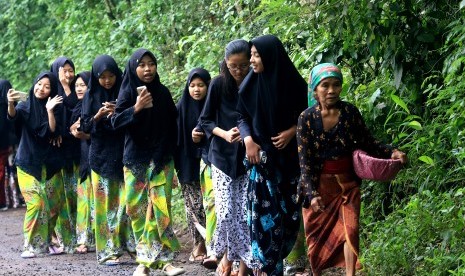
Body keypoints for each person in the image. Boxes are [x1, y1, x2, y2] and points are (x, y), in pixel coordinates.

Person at [296, 63, 407, 276]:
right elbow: (304, 162)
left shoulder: (349, 112)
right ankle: (316, 272)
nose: (331, 90)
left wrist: (392, 151)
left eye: (336, 85)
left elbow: (368, 142)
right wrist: (311, 194)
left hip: (347, 184)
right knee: (316, 237)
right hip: (319, 185)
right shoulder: (306, 119)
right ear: (315, 90)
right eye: (325, 85)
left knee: (351, 230)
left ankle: (350, 274)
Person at [237, 34, 308, 276]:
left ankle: (276, 263)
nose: (252, 60)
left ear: (270, 56)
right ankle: (268, 270)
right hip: (262, 163)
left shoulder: (295, 86)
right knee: (265, 222)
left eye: (256, 55)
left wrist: (291, 132)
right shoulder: (249, 85)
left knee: (288, 221)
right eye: (252, 55)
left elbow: (308, 117)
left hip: (289, 164)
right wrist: (248, 140)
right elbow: (242, 117)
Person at [111, 48, 185, 276]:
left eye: (151, 63)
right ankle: (145, 263)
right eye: (142, 65)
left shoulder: (162, 93)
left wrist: (173, 162)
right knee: (137, 209)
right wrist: (137, 108)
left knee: (160, 210)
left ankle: (164, 262)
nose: (147, 69)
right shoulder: (127, 93)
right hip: (135, 160)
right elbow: (115, 122)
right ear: (134, 68)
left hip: (161, 159)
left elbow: (173, 127)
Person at [199, 39, 253, 276]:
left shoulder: (256, 83)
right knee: (225, 214)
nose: (239, 71)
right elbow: (206, 120)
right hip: (221, 156)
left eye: (243, 66)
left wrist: (249, 135)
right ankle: (226, 258)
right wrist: (223, 133)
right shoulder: (219, 84)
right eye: (233, 66)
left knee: (244, 214)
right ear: (226, 64)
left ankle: (242, 267)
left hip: (247, 158)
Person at [6, 72, 68, 258]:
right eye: (39, 84)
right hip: (27, 163)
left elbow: (52, 131)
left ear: (52, 90)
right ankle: (28, 244)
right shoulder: (25, 106)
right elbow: (13, 117)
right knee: (36, 202)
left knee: (54, 205)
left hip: (49, 164)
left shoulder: (56, 107)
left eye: (47, 86)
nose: (41, 89)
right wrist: (10, 103)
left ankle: (47, 241)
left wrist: (49, 110)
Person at [80, 55, 134, 265]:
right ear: (96, 77)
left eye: (111, 76)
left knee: (126, 204)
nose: (107, 81)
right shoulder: (90, 95)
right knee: (104, 207)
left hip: (123, 154)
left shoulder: (124, 92)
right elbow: (84, 126)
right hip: (100, 157)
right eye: (102, 77)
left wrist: (117, 113)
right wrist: (99, 115)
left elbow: (133, 118)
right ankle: (107, 252)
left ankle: (130, 246)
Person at [175, 68, 215, 264]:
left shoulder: (215, 106)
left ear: (208, 86)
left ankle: (213, 245)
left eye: (201, 85)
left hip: (211, 162)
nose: (196, 89)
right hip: (188, 163)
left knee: (210, 204)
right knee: (193, 205)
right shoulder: (182, 107)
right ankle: (198, 244)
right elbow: (175, 138)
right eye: (192, 85)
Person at [50, 56, 79, 250]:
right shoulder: (49, 91)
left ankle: (77, 237)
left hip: (75, 150)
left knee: (74, 194)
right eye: (64, 71)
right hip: (55, 152)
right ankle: (61, 238)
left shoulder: (77, 89)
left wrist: (67, 86)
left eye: (71, 71)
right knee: (57, 197)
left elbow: (79, 110)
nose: (68, 75)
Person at [69, 71, 95, 254]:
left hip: (98, 156)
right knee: (84, 200)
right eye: (76, 85)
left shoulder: (95, 104)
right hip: (83, 159)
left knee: (99, 200)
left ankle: (101, 238)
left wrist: (84, 134)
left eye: (82, 85)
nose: (79, 88)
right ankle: (83, 240)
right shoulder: (77, 107)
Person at [0, 79, 15, 210]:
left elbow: (12, 111)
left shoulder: (3, 84)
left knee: (4, 171)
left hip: (4, 139)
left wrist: (11, 140)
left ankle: (7, 201)